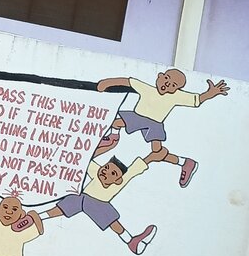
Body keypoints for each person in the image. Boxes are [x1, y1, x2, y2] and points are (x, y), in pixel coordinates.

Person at [95, 69, 228, 187]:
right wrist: (105, 83)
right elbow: (128, 81)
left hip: (154, 123)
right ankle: (112, 136)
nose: (168, 85)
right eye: (166, 79)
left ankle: (185, 163)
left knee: (157, 152)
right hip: (137, 117)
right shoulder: (147, 89)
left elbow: (197, 99)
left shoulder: (176, 97)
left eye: (173, 85)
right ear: (160, 76)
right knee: (117, 122)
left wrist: (211, 93)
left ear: (177, 89)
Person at [41, 147, 165, 254]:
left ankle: (131, 241)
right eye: (105, 167)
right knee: (70, 202)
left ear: (118, 180)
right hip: (82, 199)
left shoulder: (120, 182)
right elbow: (85, 161)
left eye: (113, 173)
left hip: (99, 204)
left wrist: (151, 157)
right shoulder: (96, 172)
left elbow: (134, 170)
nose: (106, 172)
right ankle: (39, 217)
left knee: (110, 216)